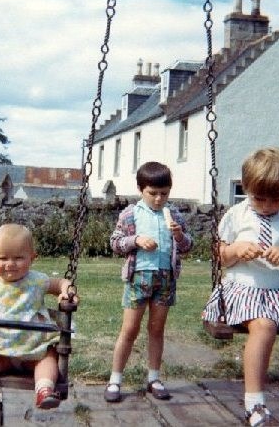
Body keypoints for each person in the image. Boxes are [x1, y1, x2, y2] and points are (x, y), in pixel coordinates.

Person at [202, 148, 279, 427]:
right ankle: (255, 404)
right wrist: (237, 249)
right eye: (259, 198)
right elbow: (220, 255)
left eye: (277, 199)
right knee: (264, 326)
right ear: (247, 188)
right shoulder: (236, 215)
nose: (267, 205)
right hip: (244, 289)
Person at [0, 223, 76, 409]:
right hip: (1, 345)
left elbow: (61, 282)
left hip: (33, 348)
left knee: (47, 358)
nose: (10, 264)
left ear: (32, 258)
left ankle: (44, 390)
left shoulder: (37, 280)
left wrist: (67, 292)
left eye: (18, 258)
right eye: (2, 258)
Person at [104, 161, 193, 403]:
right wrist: (136, 240)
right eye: (152, 193)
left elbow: (187, 246)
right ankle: (115, 379)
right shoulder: (131, 213)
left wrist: (179, 235)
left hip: (165, 278)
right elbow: (115, 243)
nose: (158, 199)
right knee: (129, 330)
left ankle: (154, 377)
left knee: (156, 329)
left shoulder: (174, 214)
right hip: (138, 278)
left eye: (164, 194)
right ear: (141, 189)